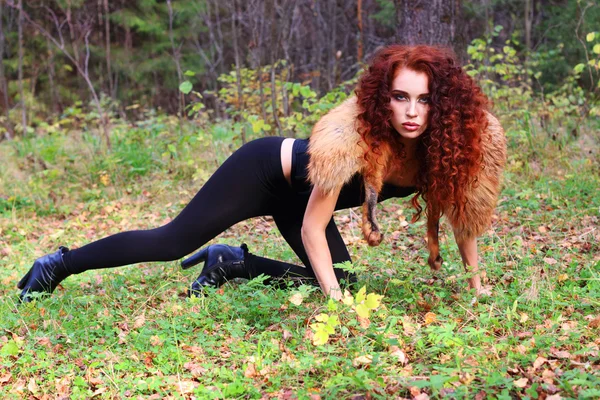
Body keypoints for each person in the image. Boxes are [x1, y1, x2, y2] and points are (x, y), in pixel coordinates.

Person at [17, 45, 506, 302]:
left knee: (342, 280)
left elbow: (463, 216)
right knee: (170, 242)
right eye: (401, 97)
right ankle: (58, 265)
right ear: (384, 98)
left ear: (441, 103)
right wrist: (335, 306)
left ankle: (233, 264)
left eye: (423, 99)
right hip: (265, 170)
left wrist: (478, 284)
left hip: (302, 196)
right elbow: (315, 225)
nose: (412, 111)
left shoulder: (444, 150)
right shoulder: (355, 138)